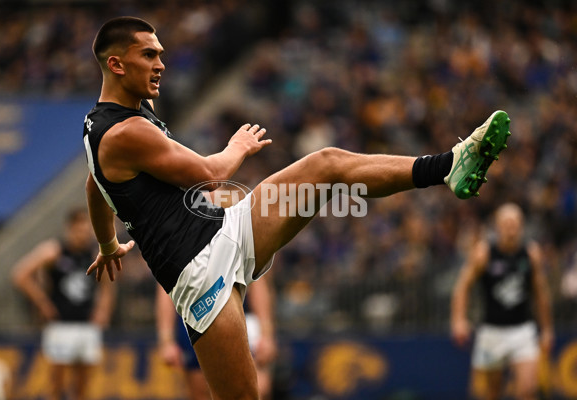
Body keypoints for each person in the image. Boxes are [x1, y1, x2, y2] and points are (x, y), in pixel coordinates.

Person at [83, 16, 510, 399]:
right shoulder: (124, 132)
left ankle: (448, 166)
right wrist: (238, 145)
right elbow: (208, 173)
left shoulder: (110, 126)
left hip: (226, 227)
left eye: (161, 53)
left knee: (327, 164)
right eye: (149, 54)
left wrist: (106, 243)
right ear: (117, 64)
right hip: (200, 272)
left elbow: (94, 183)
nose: (161, 64)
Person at [450, 203, 554, 400]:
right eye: (506, 224)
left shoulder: (531, 254)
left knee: (527, 390)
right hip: (491, 331)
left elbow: (541, 293)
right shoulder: (484, 253)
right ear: (497, 227)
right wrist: (458, 320)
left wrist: (547, 328)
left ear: (522, 226)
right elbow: (462, 286)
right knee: (491, 393)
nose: (511, 229)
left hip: (523, 329)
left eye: (515, 224)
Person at [12, 207, 115, 400]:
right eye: (80, 230)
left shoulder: (94, 253)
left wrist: (103, 310)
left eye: (87, 231)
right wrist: (42, 302)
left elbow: (108, 285)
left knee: (83, 386)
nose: (83, 235)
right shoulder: (55, 251)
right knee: (56, 385)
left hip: (86, 324)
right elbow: (20, 274)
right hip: (60, 324)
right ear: (70, 228)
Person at [156, 274, 276, 400]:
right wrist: (166, 340)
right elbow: (165, 285)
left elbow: (257, 280)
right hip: (195, 317)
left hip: (236, 317)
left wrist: (266, 333)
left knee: (255, 389)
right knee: (201, 391)